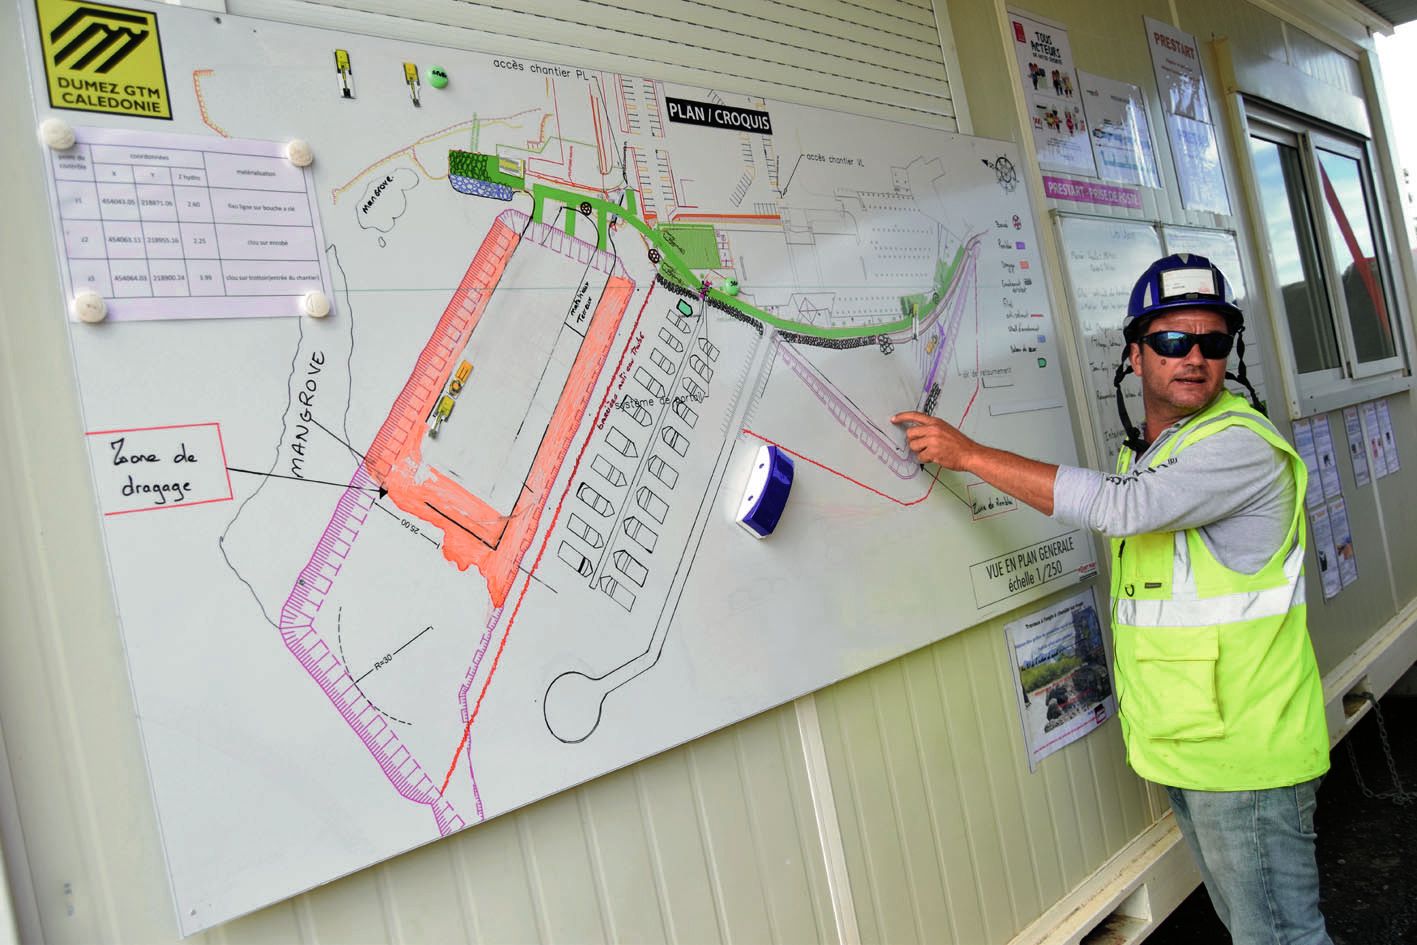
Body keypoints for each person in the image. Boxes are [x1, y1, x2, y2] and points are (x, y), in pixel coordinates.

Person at [893, 254, 1332, 945]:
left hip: (1246, 754)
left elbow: (1122, 509)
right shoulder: (1158, 452)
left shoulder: (1238, 447)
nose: (1193, 356)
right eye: (1170, 340)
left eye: (1212, 342)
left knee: (1279, 936)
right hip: (1188, 748)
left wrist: (970, 454)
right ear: (1134, 354)